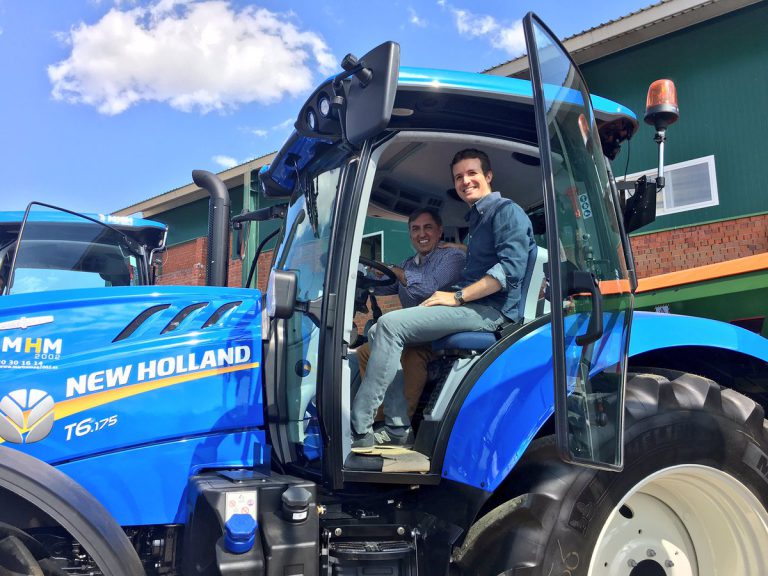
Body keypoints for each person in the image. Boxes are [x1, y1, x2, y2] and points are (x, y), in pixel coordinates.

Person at [351, 148, 536, 448]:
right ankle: (398, 429)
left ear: (488, 176)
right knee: (375, 331)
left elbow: (509, 271)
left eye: (472, 173)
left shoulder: (505, 211)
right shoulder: (477, 220)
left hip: (493, 311)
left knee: (387, 325)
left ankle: (359, 428)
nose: (465, 181)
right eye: (459, 177)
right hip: (474, 305)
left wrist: (457, 297)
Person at [353, 208, 465, 432]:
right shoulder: (408, 264)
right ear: (410, 234)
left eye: (428, 227)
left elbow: (429, 286)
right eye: (415, 229)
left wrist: (397, 272)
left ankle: (401, 427)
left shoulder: (453, 257)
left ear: (439, 231)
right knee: (365, 350)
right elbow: (389, 285)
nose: (421, 234)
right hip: (410, 333)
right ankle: (380, 419)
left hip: (442, 333)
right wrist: (366, 280)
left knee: (412, 354)